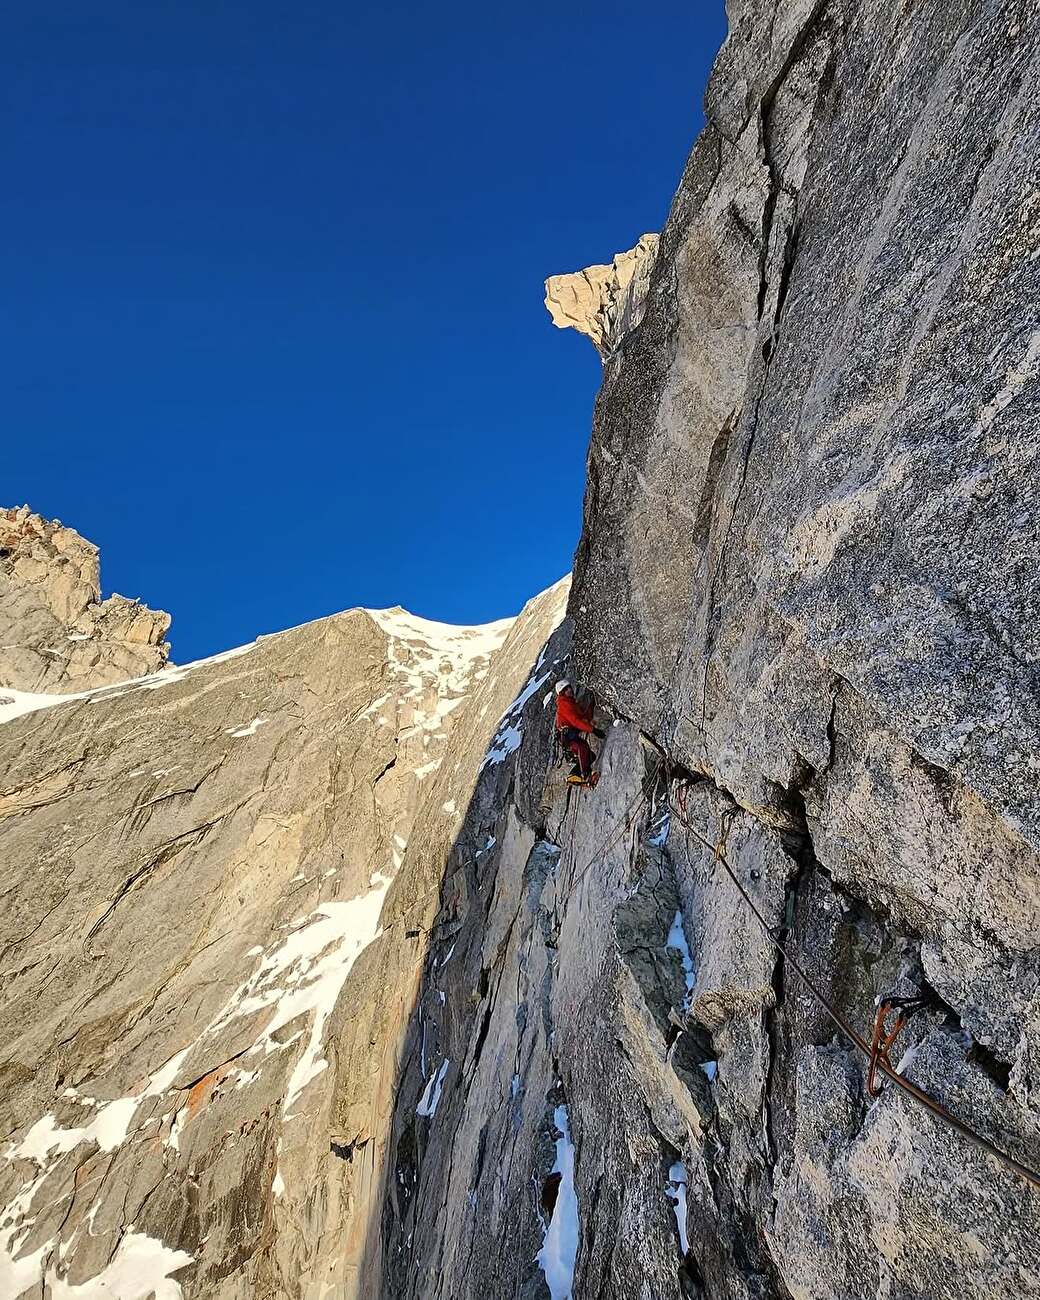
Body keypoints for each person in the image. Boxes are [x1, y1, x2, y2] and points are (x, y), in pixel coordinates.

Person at [554, 680, 603, 783]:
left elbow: (582, 717)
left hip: (570, 735)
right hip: (567, 736)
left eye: (569, 687)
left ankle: (574, 775)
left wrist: (592, 704)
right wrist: (593, 730)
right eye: (566, 689)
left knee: (590, 756)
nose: (569, 690)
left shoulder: (571, 703)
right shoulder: (564, 704)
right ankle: (585, 776)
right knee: (582, 748)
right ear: (562, 693)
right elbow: (576, 722)